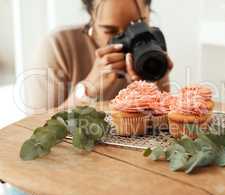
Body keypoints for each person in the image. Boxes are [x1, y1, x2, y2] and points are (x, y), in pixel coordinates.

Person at [26, 0, 173, 112]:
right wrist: (86, 90)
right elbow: (34, 128)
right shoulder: (58, 46)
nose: (130, 38)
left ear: (149, 13)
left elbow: (162, 130)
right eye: (110, 31)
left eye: (138, 24)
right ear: (91, 18)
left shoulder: (152, 45)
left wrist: (152, 88)